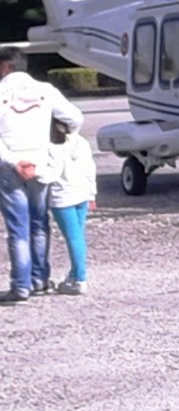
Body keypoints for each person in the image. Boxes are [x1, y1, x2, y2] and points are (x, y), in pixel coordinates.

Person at [0, 46, 84, 305]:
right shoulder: (46, 91)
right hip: (41, 165)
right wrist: (56, 144)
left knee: (18, 228)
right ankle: (39, 280)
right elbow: (75, 118)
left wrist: (15, 162)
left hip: (10, 166)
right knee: (39, 223)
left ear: (5, 67)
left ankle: (20, 285)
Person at [45, 121, 96, 295]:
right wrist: (92, 193)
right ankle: (74, 273)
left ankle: (79, 278)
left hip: (62, 197)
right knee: (78, 236)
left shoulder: (49, 146)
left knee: (73, 238)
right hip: (82, 193)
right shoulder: (81, 142)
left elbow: (50, 174)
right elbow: (90, 168)